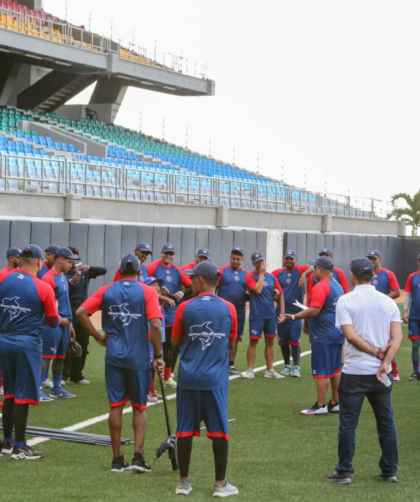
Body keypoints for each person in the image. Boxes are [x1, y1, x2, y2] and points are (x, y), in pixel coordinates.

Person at [76, 254, 164, 473]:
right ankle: (138, 457)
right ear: (138, 271)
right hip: (138, 358)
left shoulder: (107, 290)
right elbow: (155, 326)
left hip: (114, 356)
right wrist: (159, 355)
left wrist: (97, 337)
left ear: (120, 270)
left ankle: (117, 460)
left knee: (116, 405)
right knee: (139, 407)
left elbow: (81, 312)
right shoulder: (147, 291)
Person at [327, 257, 403, 485]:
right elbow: (397, 336)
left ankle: (344, 472)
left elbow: (350, 336)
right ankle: (390, 470)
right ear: (373, 276)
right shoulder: (388, 302)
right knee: (386, 422)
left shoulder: (345, 300)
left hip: (355, 371)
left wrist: (379, 355)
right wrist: (385, 361)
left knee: (348, 424)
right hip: (381, 374)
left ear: (353, 276)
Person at [172, 261, 239, 497]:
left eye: (192, 278)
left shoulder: (184, 307)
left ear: (200, 281)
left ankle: (183, 482)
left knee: (184, 429)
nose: (190, 282)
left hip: (189, 378)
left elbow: (175, 342)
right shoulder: (229, 308)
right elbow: (232, 344)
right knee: (220, 431)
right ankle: (220, 484)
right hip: (215, 380)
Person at [0, 244, 59, 459]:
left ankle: (6, 442)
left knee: (9, 392)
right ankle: (20, 446)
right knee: (23, 396)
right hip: (27, 345)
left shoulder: (3, 279)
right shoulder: (42, 287)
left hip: (4, 341)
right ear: (39, 262)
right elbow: (53, 321)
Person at [282, 257, 344, 415]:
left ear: (320, 269)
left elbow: (315, 310)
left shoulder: (321, 286)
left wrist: (294, 317)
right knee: (336, 369)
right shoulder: (337, 285)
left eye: (314, 268)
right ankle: (336, 402)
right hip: (336, 333)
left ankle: (321, 405)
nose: (313, 271)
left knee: (322, 371)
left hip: (323, 335)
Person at [147, 244, 191, 388]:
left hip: (172, 314)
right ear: (161, 253)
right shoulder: (152, 267)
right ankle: (150, 381)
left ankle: (168, 377)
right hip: (155, 313)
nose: (168, 256)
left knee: (171, 346)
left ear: (174, 256)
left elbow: (190, 286)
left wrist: (182, 292)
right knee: (154, 345)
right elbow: (144, 285)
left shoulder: (177, 270)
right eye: (166, 253)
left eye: (171, 253)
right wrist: (161, 295)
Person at [63, 247, 107, 385]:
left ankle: (77, 375)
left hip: (82, 315)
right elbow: (62, 294)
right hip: (68, 314)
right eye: (70, 260)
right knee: (67, 345)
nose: (73, 263)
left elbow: (103, 270)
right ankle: (63, 376)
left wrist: (89, 267)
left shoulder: (84, 273)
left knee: (83, 344)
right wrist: (72, 283)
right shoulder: (63, 275)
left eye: (75, 259)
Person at [40, 247, 78, 401]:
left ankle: (57, 388)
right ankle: (37, 388)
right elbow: (46, 304)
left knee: (61, 356)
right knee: (46, 356)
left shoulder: (62, 277)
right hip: (52, 325)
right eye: (69, 261)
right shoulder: (48, 278)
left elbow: (64, 302)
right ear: (60, 259)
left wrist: (69, 324)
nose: (71, 265)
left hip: (64, 324)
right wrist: (59, 319)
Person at [241, 252, 285, 380]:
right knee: (253, 342)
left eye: (261, 261)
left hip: (270, 315)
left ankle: (269, 370)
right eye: (257, 262)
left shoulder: (271, 277)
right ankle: (250, 370)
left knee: (270, 342)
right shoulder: (249, 276)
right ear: (253, 263)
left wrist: (282, 312)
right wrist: (261, 274)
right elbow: (258, 290)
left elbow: (280, 294)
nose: (260, 263)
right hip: (257, 315)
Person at [272, 249, 310, 377]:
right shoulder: (278, 272)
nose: (289, 261)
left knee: (294, 339)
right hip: (281, 312)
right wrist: (274, 291)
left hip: (296, 312)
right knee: (283, 341)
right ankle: (287, 365)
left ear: (296, 260)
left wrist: (304, 274)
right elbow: (269, 279)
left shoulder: (300, 270)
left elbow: (314, 266)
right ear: (284, 259)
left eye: (291, 258)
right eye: (287, 258)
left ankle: (296, 367)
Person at [367, 250, 401, 380]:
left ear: (380, 260)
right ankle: (372, 367)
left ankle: (394, 371)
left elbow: (397, 292)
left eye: (374, 259)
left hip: (384, 312)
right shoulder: (366, 275)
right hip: (369, 312)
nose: (372, 261)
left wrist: (383, 299)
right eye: (370, 258)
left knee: (388, 339)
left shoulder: (388, 274)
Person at [217, 247, 249, 376]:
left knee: (235, 339)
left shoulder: (247, 274)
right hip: (222, 311)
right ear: (230, 258)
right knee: (219, 336)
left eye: (238, 259)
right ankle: (218, 363)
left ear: (242, 260)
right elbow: (213, 287)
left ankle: (231, 365)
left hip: (239, 312)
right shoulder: (221, 271)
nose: (236, 261)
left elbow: (250, 291)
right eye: (234, 259)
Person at [0, 247, 21, 399]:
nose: (20, 259)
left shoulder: (19, 275)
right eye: (18, 257)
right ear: (11, 258)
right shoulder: (4, 274)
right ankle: (1, 384)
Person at [142, 276, 166, 403]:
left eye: (157, 285)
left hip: (157, 336)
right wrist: (164, 297)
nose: (157, 287)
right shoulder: (147, 298)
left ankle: (152, 390)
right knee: (148, 364)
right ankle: (146, 391)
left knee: (154, 365)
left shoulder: (157, 299)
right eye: (153, 284)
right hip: (148, 335)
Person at [403, 252, 420, 381]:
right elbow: (408, 295)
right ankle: (416, 372)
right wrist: (405, 311)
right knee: (415, 345)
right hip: (414, 317)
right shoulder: (412, 277)